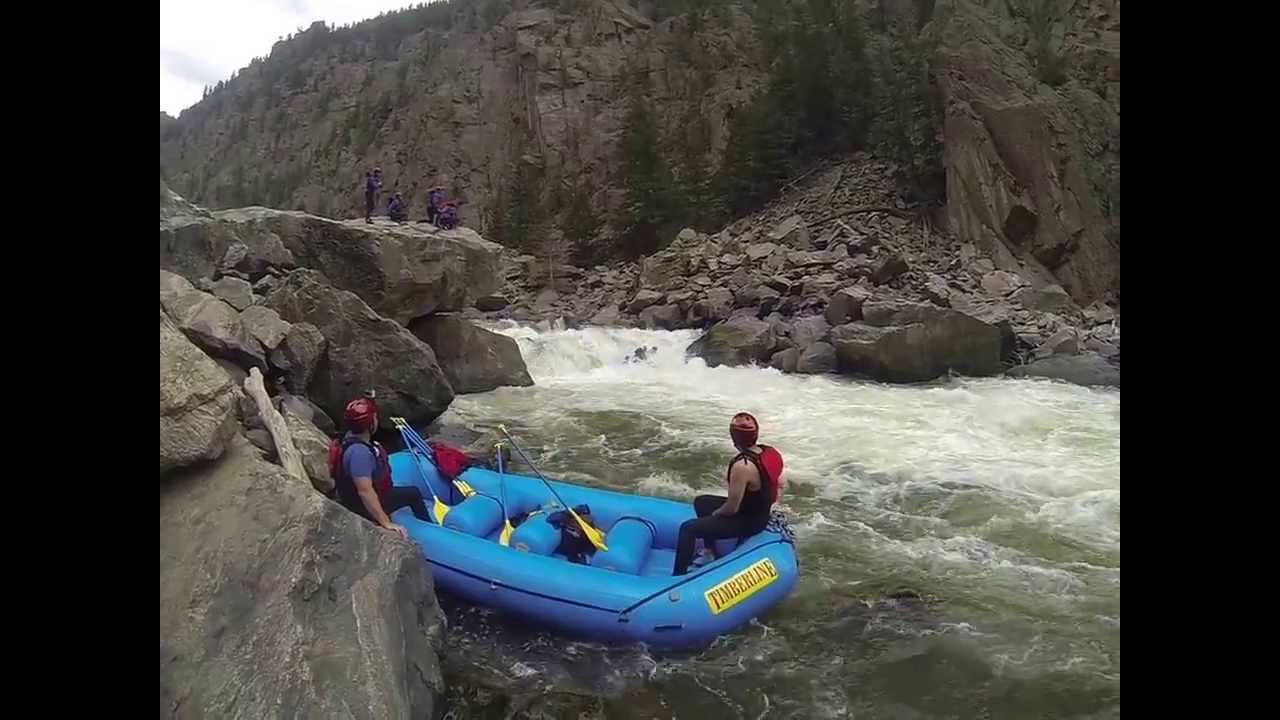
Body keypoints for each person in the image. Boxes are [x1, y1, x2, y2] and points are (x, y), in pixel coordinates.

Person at [672, 413, 784, 575]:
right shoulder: (768, 452)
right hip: (759, 512)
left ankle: (678, 576)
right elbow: (779, 483)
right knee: (701, 502)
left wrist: (716, 514)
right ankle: (710, 552)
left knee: (688, 529)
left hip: (749, 521)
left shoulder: (742, 467)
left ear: (735, 438)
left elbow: (731, 508)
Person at [330, 396, 430, 538]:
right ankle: (429, 529)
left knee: (408, 491)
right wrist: (386, 522)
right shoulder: (359, 453)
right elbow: (365, 491)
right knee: (413, 493)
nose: (377, 420)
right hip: (360, 506)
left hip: (355, 496)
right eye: (375, 418)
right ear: (370, 424)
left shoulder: (347, 438)